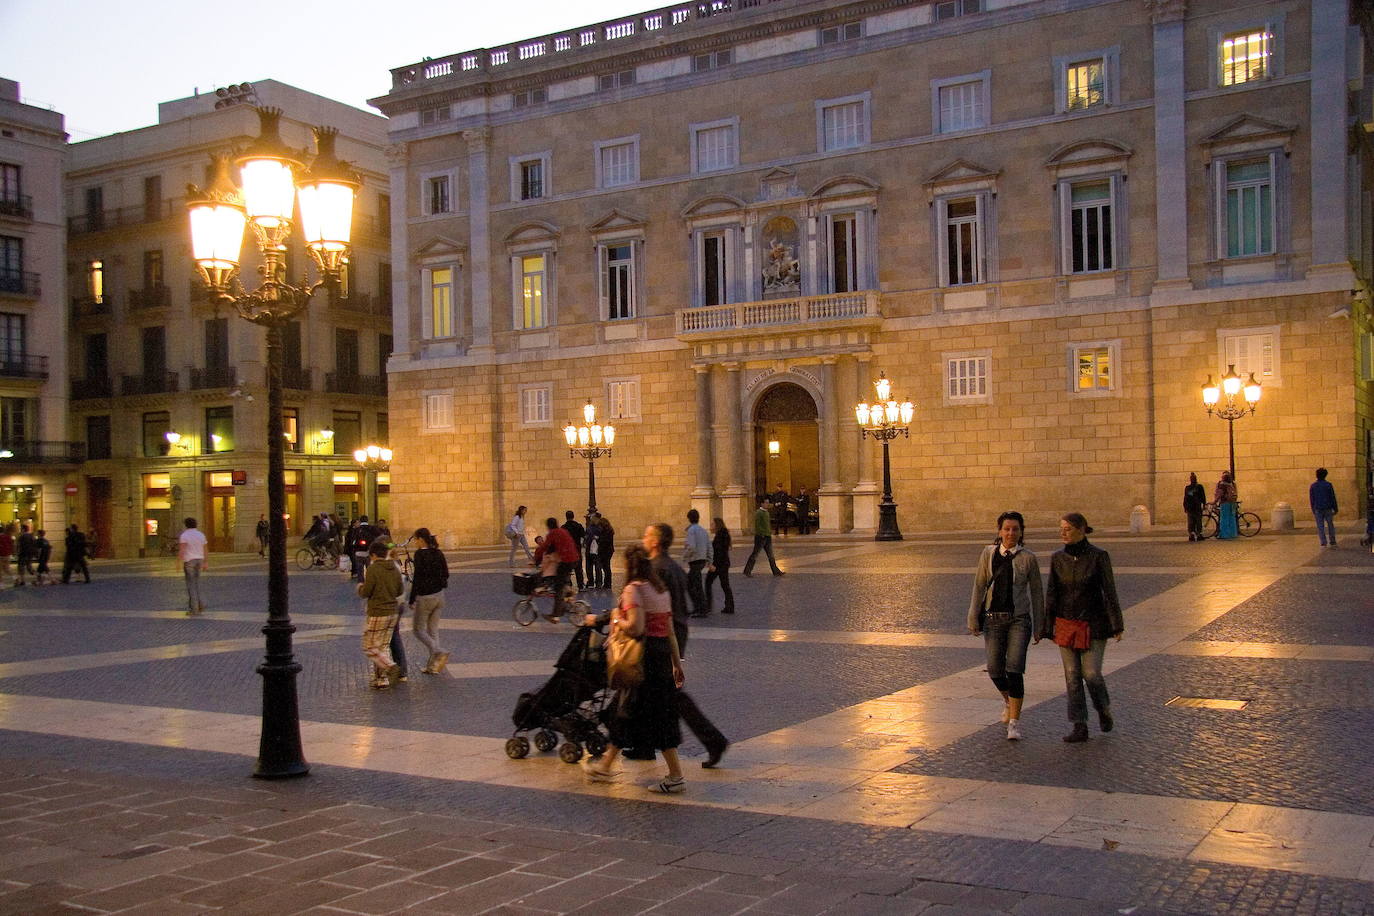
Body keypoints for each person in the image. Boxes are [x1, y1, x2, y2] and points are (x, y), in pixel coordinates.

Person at [580, 544, 687, 793]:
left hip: (643, 660)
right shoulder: (661, 590)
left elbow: (637, 628)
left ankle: (675, 776)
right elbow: (670, 631)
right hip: (661, 658)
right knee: (640, 712)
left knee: (629, 711)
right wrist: (676, 663)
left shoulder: (633, 590)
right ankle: (606, 766)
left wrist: (617, 617)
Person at [645, 523, 729, 767]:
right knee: (652, 691)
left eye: (647, 535)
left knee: (670, 694)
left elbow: (652, 607)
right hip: (676, 631)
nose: (644, 538)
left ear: (656, 542)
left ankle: (713, 741)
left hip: (663, 636)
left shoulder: (657, 569)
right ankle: (642, 745)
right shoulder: (674, 567)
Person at [1040, 512, 1124, 743]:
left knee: (1091, 673)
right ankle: (1079, 725)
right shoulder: (1058, 558)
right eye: (1061, 529)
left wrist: (1116, 624)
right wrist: (1047, 627)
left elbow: (1109, 592)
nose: (1062, 533)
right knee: (1072, 675)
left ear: (1081, 529)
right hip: (1067, 623)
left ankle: (1103, 708)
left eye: (1067, 529)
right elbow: (1052, 593)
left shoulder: (1099, 556)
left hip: (1094, 624)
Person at [967, 511, 1044, 741]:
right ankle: (1009, 701)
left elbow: (1037, 593)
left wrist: (1040, 624)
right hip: (993, 619)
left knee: (1015, 668)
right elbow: (979, 585)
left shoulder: (1028, 558)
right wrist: (973, 616)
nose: (1011, 533)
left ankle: (1014, 723)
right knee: (994, 669)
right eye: (1007, 529)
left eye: (1015, 529)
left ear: (1021, 532)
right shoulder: (988, 553)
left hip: (1019, 619)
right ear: (999, 531)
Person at [359, 540, 404, 689]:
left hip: (378, 612)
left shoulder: (373, 569)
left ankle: (391, 667)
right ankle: (381, 680)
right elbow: (400, 591)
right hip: (393, 612)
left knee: (370, 647)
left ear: (373, 555)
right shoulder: (395, 568)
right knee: (382, 647)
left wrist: (360, 588)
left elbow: (366, 592)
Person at [408, 528, 450, 674]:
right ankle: (433, 666)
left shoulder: (420, 555)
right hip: (439, 595)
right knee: (433, 630)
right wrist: (440, 584)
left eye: (415, 539)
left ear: (421, 539)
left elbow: (417, 578)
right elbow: (446, 573)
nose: (414, 542)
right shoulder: (438, 553)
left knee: (418, 630)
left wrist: (412, 598)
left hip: (425, 597)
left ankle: (438, 651)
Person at [533, 517, 579, 622]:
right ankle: (567, 596)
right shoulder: (563, 531)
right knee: (561, 580)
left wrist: (537, 558)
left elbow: (544, 547)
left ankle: (555, 615)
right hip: (574, 559)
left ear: (548, 526)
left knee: (558, 587)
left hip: (567, 561)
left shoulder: (552, 533)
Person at [742, 495, 784, 577]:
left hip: (767, 536)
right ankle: (747, 570)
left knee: (771, 555)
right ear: (762, 504)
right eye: (766, 503)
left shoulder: (766, 512)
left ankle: (776, 571)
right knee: (755, 554)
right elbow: (758, 525)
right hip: (761, 537)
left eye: (768, 503)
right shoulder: (759, 513)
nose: (767, 504)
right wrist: (762, 534)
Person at [682, 509, 711, 617]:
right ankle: (699, 608)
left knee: (693, 585)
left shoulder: (691, 530)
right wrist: (709, 560)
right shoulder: (703, 530)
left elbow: (691, 547)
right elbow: (709, 546)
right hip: (702, 560)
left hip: (695, 561)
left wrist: (685, 557)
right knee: (693, 584)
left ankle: (701, 609)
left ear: (689, 519)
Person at [178, 517, 208, 616]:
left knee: (191, 585)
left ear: (186, 525)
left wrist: (178, 562)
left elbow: (182, 550)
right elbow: (205, 549)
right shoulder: (201, 535)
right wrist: (205, 562)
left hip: (189, 561)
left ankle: (194, 609)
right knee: (196, 583)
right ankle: (200, 605)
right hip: (199, 560)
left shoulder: (184, 535)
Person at [705, 517, 735, 615]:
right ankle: (729, 606)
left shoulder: (720, 536)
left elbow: (719, 552)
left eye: (712, 524)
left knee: (708, 582)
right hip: (724, 563)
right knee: (725, 585)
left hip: (719, 564)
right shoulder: (723, 534)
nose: (710, 527)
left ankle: (708, 606)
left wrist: (713, 565)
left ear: (717, 525)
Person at [1309, 467, 1339, 548]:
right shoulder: (1328, 485)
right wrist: (1335, 508)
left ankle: (1323, 542)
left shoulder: (1313, 486)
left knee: (1320, 526)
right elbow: (1332, 497)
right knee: (1330, 525)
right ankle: (1332, 541)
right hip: (1328, 507)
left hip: (1318, 508)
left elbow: (1312, 499)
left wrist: (1313, 508)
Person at [562, 510, 586, 591]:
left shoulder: (563, 527)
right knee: (578, 569)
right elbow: (584, 536)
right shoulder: (578, 526)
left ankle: (569, 584)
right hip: (576, 549)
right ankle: (580, 586)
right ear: (573, 516)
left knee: (567, 569)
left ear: (566, 517)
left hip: (567, 551)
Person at [1214, 471, 1239, 540]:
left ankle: (1225, 535)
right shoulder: (1232, 484)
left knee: (1224, 519)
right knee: (1232, 518)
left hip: (1225, 503)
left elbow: (1220, 494)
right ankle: (1233, 533)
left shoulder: (1222, 485)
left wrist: (1214, 501)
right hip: (1233, 503)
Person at [1183, 473, 1207, 542]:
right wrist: (1204, 503)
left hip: (1192, 507)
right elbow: (1203, 496)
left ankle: (1193, 534)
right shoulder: (1198, 487)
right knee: (1196, 521)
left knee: (1192, 522)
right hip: (1195, 507)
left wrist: (1185, 506)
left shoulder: (1189, 488)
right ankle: (1197, 534)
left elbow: (1186, 498)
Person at [595, 515, 615, 590]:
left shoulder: (605, 532)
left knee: (606, 567)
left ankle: (607, 583)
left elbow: (604, 541)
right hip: (609, 551)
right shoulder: (610, 530)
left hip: (605, 551)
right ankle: (607, 583)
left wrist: (598, 539)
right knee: (607, 567)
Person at [584, 514, 602, 589]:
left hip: (590, 550)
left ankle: (591, 582)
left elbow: (587, 538)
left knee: (590, 566)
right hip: (596, 550)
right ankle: (598, 583)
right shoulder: (600, 528)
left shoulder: (589, 528)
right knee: (597, 567)